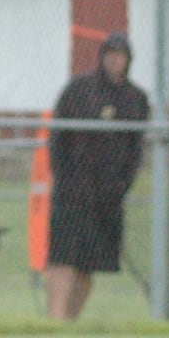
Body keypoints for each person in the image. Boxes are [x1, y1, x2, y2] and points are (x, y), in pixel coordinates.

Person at [44, 32, 149, 321]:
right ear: (101, 56)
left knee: (88, 264)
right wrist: (65, 177)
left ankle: (70, 322)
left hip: (107, 197)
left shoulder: (135, 99)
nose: (115, 61)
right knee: (63, 257)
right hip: (72, 192)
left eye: (121, 56)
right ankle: (55, 320)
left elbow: (135, 150)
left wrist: (120, 186)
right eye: (110, 54)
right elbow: (58, 140)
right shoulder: (80, 89)